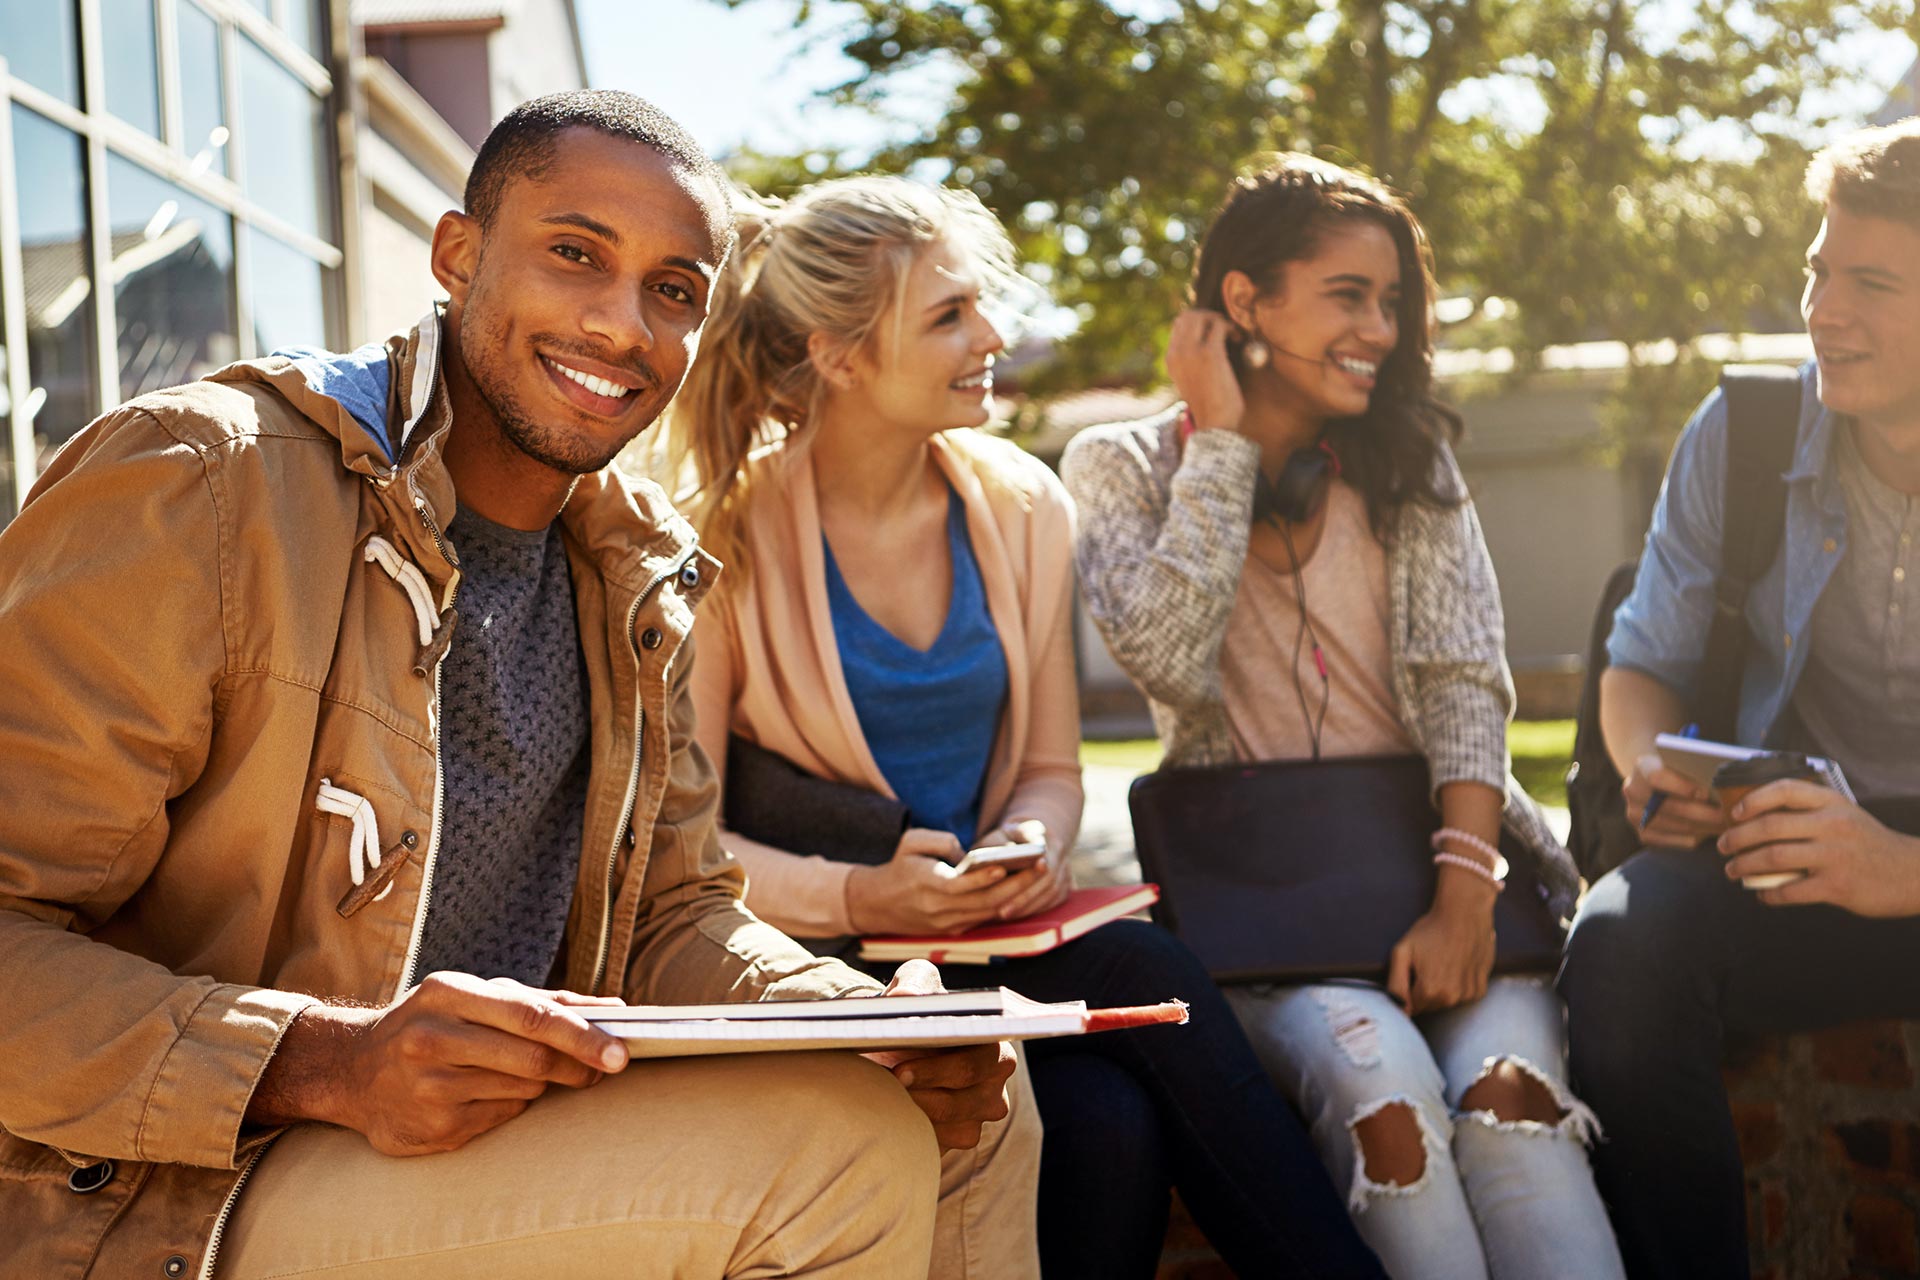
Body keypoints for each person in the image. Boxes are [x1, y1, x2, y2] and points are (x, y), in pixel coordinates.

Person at [0, 91, 1030, 1280]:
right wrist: (325, 1060)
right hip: (169, 1188)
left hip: (483, 1134)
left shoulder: (630, 569)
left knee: (974, 1109)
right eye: (576, 254)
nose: (621, 323)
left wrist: (854, 1012)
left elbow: (669, 916)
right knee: (836, 1155)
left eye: (674, 288)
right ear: (458, 254)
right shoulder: (206, 478)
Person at [659, 173, 1387, 1280]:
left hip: (986, 937)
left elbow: (1052, 765)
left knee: (1133, 1043)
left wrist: (1034, 842)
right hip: (820, 954)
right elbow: (687, 852)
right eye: (948, 314)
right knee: (1122, 1067)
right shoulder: (722, 538)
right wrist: (862, 893)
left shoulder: (1022, 505)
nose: (994, 335)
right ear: (842, 354)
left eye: (981, 304)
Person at [1062, 155, 1626, 1279]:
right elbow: (1167, 658)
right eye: (1348, 296)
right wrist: (1220, 447)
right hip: (1271, 924)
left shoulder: (1411, 458)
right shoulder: (1116, 466)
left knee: (1512, 1102)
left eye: (1392, 300)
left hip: (1450, 881)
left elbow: (1468, 679)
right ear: (1244, 302)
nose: (1382, 325)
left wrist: (1465, 897)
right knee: (1386, 1106)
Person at [1558, 116, 1920, 1278]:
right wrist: (1651, 769)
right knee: (1621, 947)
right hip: (1796, 846)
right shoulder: (1749, 429)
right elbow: (1640, 660)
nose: (1823, 310)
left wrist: (1899, 868)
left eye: (1871, 282)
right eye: (1820, 270)